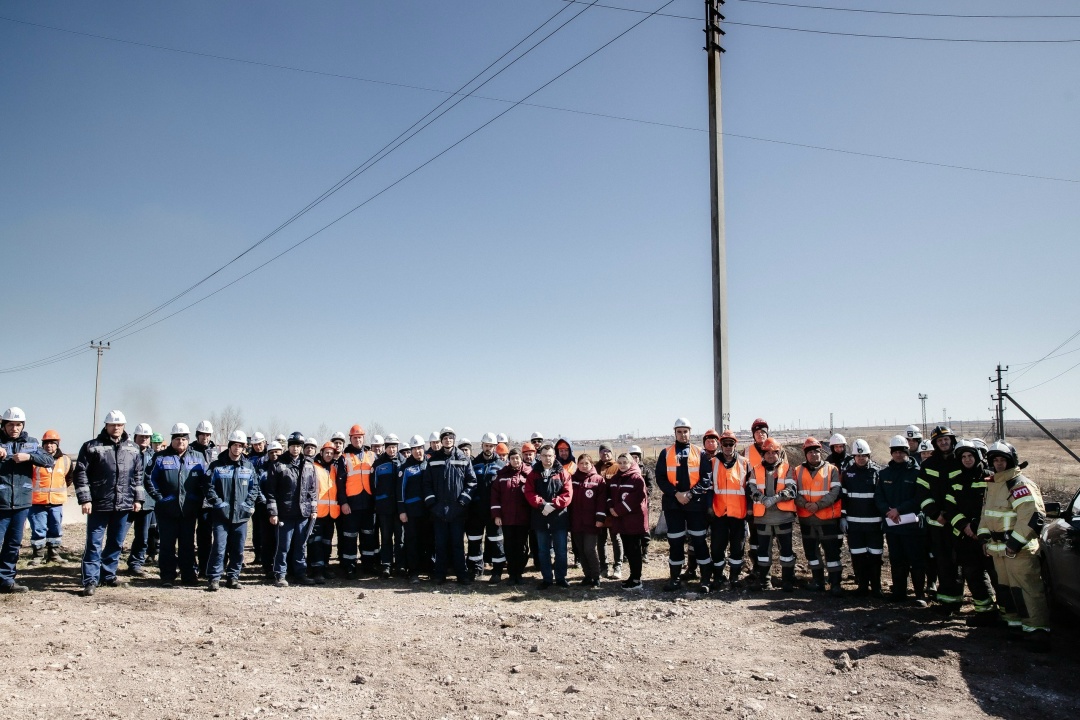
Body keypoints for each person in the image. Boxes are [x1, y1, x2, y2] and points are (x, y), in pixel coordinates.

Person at [978, 442, 1049, 645]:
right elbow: (986, 515)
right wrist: (983, 538)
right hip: (999, 551)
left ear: (1011, 461)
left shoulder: (1019, 484)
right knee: (1007, 590)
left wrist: (1014, 544)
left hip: (1019, 551)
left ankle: (1036, 631)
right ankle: (1015, 625)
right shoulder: (993, 484)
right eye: (995, 460)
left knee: (1027, 591)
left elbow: (1032, 517)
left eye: (1003, 460)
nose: (999, 464)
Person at [73, 410, 144, 597]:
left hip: (124, 504)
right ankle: (90, 580)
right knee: (94, 543)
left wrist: (138, 499)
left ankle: (108, 575)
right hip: (98, 504)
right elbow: (80, 473)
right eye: (113, 424)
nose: (116, 428)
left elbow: (138, 475)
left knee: (116, 542)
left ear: (124, 426)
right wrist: (85, 499)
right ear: (106, 426)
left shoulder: (133, 448)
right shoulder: (91, 447)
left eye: (119, 425)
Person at [145, 422, 208, 587]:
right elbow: (149, 479)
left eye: (184, 439)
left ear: (188, 440)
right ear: (172, 439)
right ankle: (167, 576)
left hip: (189, 509)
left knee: (187, 544)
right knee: (167, 544)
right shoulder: (160, 457)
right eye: (177, 439)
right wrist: (160, 498)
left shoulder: (198, 457)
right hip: (166, 510)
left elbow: (206, 481)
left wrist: (198, 498)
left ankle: (189, 576)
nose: (181, 442)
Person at [655, 418, 713, 593]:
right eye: (679, 431)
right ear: (675, 433)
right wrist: (676, 494)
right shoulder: (665, 453)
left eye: (685, 431)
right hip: (673, 505)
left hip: (695, 505)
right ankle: (675, 579)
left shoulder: (700, 453)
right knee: (675, 541)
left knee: (699, 540)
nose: (682, 434)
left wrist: (690, 494)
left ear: (690, 432)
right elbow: (661, 478)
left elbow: (706, 478)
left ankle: (705, 579)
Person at [1, 407, 54, 593]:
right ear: (4, 425)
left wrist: (29, 457)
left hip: (22, 502)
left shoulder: (30, 443)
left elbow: (49, 460)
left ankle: (6, 580)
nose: (14, 428)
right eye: (11, 424)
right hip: (1, 502)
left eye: (18, 425)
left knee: (13, 544)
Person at [945, 439, 996, 623]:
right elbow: (950, 508)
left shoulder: (991, 478)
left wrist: (977, 527)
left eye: (970, 456)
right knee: (973, 576)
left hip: (988, 536)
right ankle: (985, 613)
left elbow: (994, 506)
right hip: (965, 538)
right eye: (964, 457)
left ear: (978, 456)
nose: (967, 459)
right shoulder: (955, 480)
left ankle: (1008, 615)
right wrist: (965, 526)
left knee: (997, 577)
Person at [203, 431, 260, 590]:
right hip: (221, 515)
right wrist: (218, 503)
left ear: (243, 448)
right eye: (235, 445)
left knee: (238, 549)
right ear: (229, 446)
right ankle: (214, 578)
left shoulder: (248, 466)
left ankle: (233, 577)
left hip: (241, 516)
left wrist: (247, 504)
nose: (237, 448)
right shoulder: (217, 465)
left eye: (240, 446)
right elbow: (208, 487)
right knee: (219, 547)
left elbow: (254, 487)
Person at [875, 436, 927, 606]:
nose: (898, 455)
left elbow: (919, 498)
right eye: (895, 452)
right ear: (891, 453)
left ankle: (919, 595)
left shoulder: (917, 472)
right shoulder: (884, 474)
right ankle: (899, 592)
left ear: (907, 452)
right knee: (897, 561)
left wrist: (899, 510)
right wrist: (888, 511)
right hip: (893, 527)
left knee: (916, 561)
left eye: (901, 452)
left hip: (912, 527)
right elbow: (879, 497)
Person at [916, 425, 962, 614]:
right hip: (937, 524)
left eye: (946, 439)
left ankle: (958, 601)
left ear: (952, 440)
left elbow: (964, 492)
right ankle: (946, 602)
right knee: (942, 562)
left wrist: (949, 514)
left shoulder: (961, 461)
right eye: (940, 440)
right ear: (935, 444)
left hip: (958, 522)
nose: (943, 443)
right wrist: (935, 514)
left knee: (959, 563)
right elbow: (922, 492)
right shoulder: (928, 465)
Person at [422, 427, 477, 584]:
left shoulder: (463, 458)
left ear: (454, 440)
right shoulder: (433, 460)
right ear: (441, 441)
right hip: (438, 511)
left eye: (450, 438)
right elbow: (426, 484)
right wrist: (433, 505)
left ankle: (462, 575)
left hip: (457, 510)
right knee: (440, 544)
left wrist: (462, 502)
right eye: (445, 438)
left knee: (457, 544)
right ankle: (440, 574)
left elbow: (472, 482)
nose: (448, 440)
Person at [265, 431, 318, 587]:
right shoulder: (278, 465)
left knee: (301, 546)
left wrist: (313, 509)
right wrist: (273, 512)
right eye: (293, 445)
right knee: (283, 546)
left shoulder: (308, 465)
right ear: (288, 446)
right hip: (285, 513)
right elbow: (271, 492)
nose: (296, 448)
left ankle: (300, 574)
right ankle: (280, 575)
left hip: (303, 513)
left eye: (298, 446)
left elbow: (312, 489)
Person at [793, 437, 844, 594]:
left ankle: (835, 584)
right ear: (805, 454)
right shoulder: (797, 471)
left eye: (816, 451)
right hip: (807, 519)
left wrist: (818, 505)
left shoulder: (832, 470)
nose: (813, 454)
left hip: (828, 519)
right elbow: (793, 491)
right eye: (810, 452)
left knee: (832, 552)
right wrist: (804, 504)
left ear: (820, 452)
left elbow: (835, 491)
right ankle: (818, 581)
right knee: (811, 552)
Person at [746, 437, 796, 591]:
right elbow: (750, 489)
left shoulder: (788, 469)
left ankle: (787, 581)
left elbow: (792, 489)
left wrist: (775, 498)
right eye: (767, 452)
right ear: (763, 454)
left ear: (779, 453)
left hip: (783, 517)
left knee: (786, 551)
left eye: (774, 452)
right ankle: (765, 581)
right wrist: (762, 498)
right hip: (763, 518)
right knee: (763, 552)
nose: (770, 455)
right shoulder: (755, 470)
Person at [524, 444, 573, 589]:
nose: (547, 458)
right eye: (544, 455)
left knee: (561, 550)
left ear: (554, 456)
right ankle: (547, 579)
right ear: (540, 457)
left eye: (550, 455)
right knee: (543, 551)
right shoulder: (533, 474)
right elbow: (529, 493)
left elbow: (568, 494)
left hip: (559, 518)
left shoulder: (563, 473)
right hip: (540, 517)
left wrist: (553, 505)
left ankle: (561, 578)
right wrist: (542, 504)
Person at [841, 439, 884, 597]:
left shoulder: (877, 472)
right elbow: (843, 498)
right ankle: (862, 586)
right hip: (854, 525)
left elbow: (882, 498)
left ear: (869, 456)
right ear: (853, 456)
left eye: (863, 455)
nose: (860, 458)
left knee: (875, 556)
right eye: (857, 456)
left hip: (874, 525)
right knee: (858, 556)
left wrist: (883, 519)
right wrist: (843, 517)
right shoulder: (847, 474)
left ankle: (876, 587)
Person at [708, 430, 750, 591]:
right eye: (724, 444)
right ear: (720, 445)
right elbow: (708, 488)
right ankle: (718, 576)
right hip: (719, 513)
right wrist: (709, 508)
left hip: (738, 513)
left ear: (735, 445)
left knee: (737, 547)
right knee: (717, 547)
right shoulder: (712, 463)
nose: (727, 446)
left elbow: (750, 488)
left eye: (730, 443)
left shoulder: (745, 463)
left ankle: (734, 577)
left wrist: (750, 509)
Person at [28, 428, 70, 567]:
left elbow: (69, 478)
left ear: (57, 444)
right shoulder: (35, 459)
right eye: (46, 443)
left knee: (55, 529)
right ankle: (38, 556)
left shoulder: (65, 460)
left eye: (52, 443)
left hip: (56, 502)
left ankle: (54, 555)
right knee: (38, 529)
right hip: (37, 501)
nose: (49, 446)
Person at [340, 424, 377, 577]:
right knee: (350, 537)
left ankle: (368, 565)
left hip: (368, 502)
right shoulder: (344, 458)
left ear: (363, 438)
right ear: (351, 439)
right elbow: (340, 483)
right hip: (352, 504)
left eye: (360, 437)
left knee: (368, 536)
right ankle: (350, 566)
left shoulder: (372, 456)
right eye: (355, 438)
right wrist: (343, 502)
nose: (358, 440)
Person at [468, 433, 506, 582]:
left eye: (491, 446)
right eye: (486, 445)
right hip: (476, 511)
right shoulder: (474, 463)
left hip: (493, 511)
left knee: (496, 541)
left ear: (495, 447)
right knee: (474, 540)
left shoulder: (501, 466)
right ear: (482, 445)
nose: (488, 448)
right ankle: (476, 570)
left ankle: (497, 572)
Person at [491, 447, 532, 585]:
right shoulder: (502, 475)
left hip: (523, 518)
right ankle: (511, 574)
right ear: (509, 460)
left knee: (522, 547)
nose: (515, 460)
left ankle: (519, 573)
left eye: (517, 458)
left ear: (521, 459)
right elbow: (495, 496)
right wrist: (497, 515)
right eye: (512, 458)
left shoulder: (529, 474)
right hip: (507, 518)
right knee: (509, 546)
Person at [607, 452, 648, 591]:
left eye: (625, 462)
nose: (623, 465)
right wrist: (611, 507)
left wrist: (618, 510)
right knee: (628, 550)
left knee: (634, 550)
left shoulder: (637, 479)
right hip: (621, 520)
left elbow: (637, 498)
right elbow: (609, 495)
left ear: (631, 463)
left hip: (634, 520)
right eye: (620, 462)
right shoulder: (615, 478)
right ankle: (632, 576)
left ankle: (636, 579)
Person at [569, 453, 606, 587]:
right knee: (580, 550)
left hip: (591, 522)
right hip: (576, 521)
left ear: (591, 464)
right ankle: (587, 576)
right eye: (581, 463)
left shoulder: (598, 480)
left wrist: (600, 518)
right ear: (577, 465)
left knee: (589, 549)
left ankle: (596, 576)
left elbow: (601, 502)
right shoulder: (572, 479)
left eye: (587, 463)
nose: (584, 466)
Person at [308, 442, 342, 583]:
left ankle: (325, 566)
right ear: (321, 453)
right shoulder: (313, 467)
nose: (329, 455)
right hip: (317, 513)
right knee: (315, 542)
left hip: (330, 513)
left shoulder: (334, 468)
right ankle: (316, 570)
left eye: (331, 453)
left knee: (327, 543)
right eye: (326, 452)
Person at [125, 423, 156, 577]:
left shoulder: (154, 456)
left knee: (143, 537)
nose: (144, 439)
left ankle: (136, 563)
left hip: (147, 502)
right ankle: (108, 565)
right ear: (135, 437)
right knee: (118, 536)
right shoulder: (127, 452)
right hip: (127, 501)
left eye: (147, 437)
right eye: (141, 436)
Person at [397, 436, 430, 583]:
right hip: (411, 512)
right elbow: (400, 491)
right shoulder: (405, 468)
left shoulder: (429, 464)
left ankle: (427, 568)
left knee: (427, 540)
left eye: (420, 448)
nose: (418, 451)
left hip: (428, 511)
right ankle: (413, 571)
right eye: (415, 449)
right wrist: (402, 511)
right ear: (411, 450)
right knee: (412, 541)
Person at [372, 434, 404, 579]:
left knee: (400, 538)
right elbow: (373, 486)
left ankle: (400, 565)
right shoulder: (378, 464)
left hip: (399, 509)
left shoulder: (403, 463)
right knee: (386, 537)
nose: (392, 450)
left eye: (394, 447)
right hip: (384, 508)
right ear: (385, 448)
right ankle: (386, 565)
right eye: (389, 447)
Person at [191, 420, 217, 578]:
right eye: (202, 434)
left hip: (208, 502)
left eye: (208, 434)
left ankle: (204, 567)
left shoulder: (215, 452)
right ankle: (189, 566)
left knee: (205, 535)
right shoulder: (189, 450)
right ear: (197, 435)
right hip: (191, 498)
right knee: (187, 535)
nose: (205, 437)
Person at [593, 443, 623, 579]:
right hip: (600, 509)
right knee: (601, 539)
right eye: (602, 451)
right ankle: (603, 567)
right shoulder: (595, 467)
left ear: (612, 452)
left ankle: (618, 567)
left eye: (608, 451)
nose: (605, 453)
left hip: (614, 509)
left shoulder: (617, 467)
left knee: (616, 538)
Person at [257, 441, 283, 578]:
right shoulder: (262, 469)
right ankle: (268, 567)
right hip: (265, 510)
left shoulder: (286, 467)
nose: (274, 455)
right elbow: (257, 487)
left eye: (277, 452)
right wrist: (265, 503)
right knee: (267, 539)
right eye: (271, 452)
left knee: (281, 540)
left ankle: (281, 566)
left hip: (283, 510)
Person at [627, 445, 654, 561]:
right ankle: (629, 553)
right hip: (629, 506)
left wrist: (642, 498)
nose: (635, 459)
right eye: (632, 457)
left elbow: (650, 487)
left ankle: (645, 552)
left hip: (643, 506)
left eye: (636, 457)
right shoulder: (625, 471)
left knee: (644, 528)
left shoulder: (646, 471)